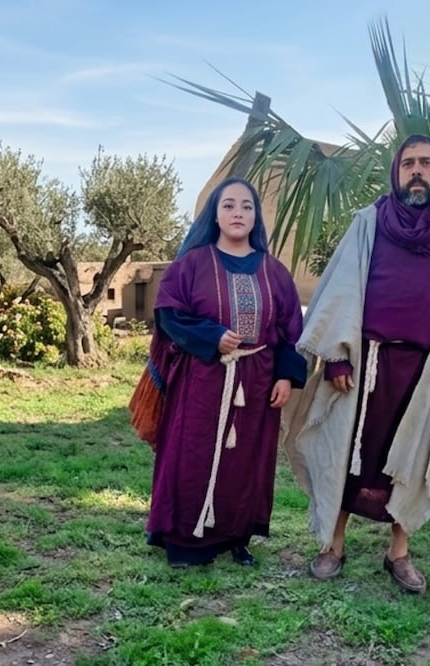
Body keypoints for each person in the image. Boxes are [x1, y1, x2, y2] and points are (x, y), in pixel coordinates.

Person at [284, 134, 430, 593]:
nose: (417, 171)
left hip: (425, 370)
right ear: (397, 172)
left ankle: (398, 552)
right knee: (346, 454)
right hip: (364, 366)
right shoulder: (368, 223)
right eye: (408, 164)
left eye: (427, 163)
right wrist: (336, 356)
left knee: (411, 460)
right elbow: (340, 287)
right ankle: (332, 546)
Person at [141, 176, 307, 568]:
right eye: (229, 205)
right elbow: (169, 314)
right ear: (215, 214)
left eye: (246, 206)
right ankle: (186, 540)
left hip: (259, 380)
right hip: (202, 378)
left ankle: (236, 535)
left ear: (256, 217)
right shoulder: (192, 265)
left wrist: (285, 375)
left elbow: (291, 330)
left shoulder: (275, 272)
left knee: (248, 458)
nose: (238, 213)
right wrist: (212, 336)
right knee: (192, 452)